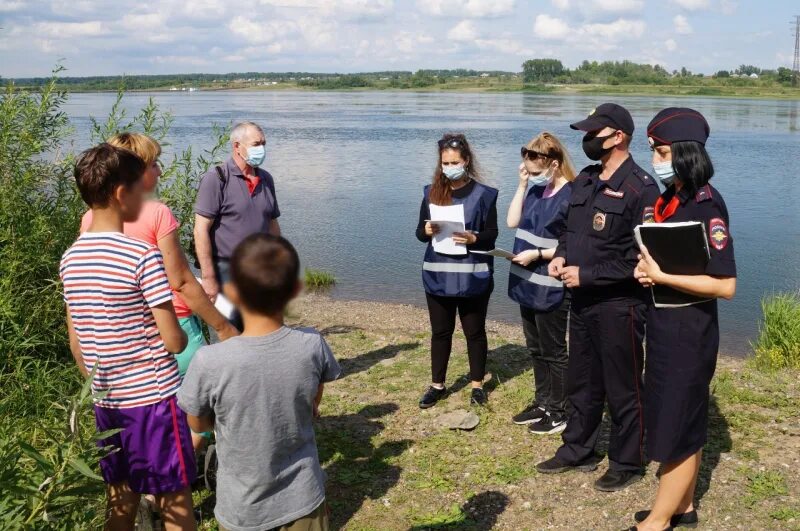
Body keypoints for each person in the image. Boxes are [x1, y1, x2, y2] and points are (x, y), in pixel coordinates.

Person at [61, 144, 196, 531]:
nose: (145, 196)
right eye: (140, 189)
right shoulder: (141, 256)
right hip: (153, 399)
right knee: (174, 498)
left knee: (120, 497)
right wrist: (180, 341)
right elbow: (173, 341)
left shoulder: (71, 258)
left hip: (105, 398)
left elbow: (76, 342)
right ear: (122, 194)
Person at [80, 132, 239, 452]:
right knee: (200, 410)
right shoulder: (156, 213)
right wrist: (223, 326)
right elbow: (179, 280)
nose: (160, 171)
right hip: (174, 325)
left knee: (146, 418)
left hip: (123, 332)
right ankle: (168, 483)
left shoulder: (90, 217)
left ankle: (151, 479)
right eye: (155, 163)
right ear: (135, 170)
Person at [178, 234, 341, 531]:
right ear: (294, 290)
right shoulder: (312, 345)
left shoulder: (209, 360)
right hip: (303, 498)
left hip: (241, 508)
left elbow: (198, 424)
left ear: (232, 293)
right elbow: (314, 396)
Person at [536, 103, 660, 492]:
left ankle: (627, 460)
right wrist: (560, 255)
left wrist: (587, 273)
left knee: (623, 386)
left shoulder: (642, 188)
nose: (587, 140)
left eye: (594, 133)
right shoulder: (586, 180)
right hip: (582, 302)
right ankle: (578, 449)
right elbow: (569, 231)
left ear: (618, 136)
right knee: (583, 381)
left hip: (620, 306)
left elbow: (642, 261)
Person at [628, 108, 736, 531]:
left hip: (689, 334)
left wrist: (662, 276)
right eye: (653, 149)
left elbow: (725, 285)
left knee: (676, 424)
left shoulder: (708, 205)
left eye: (662, 150)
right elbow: (669, 261)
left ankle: (656, 520)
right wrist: (647, 272)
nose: (654, 156)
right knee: (679, 417)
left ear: (685, 152)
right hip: (665, 323)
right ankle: (684, 508)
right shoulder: (672, 197)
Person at [415, 133, 499, 408]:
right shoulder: (431, 192)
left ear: (466, 161)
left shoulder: (485, 195)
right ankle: (437, 385)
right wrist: (426, 230)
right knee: (441, 332)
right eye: (444, 163)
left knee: (474, 332)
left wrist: (474, 238)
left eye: (454, 162)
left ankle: (476, 385)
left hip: (472, 276)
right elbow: (419, 233)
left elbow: (492, 235)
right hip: (438, 275)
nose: (449, 167)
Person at [507, 132, 575, 435]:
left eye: (536, 171)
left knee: (554, 350)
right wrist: (522, 185)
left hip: (551, 283)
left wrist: (538, 253)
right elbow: (511, 222)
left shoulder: (571, 195)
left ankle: (559, 411)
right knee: (535, 348)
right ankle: (543, 402)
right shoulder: (535, 190)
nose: (532, 175)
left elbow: (573, 243)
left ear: (555, 164)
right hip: (526, 281)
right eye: (528, 170)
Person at [194, 121, 281, 331]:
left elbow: (272, 224)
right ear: (236, 146)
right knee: (234, 329)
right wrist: (208, 278)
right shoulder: (216, 179)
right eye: (256, 144)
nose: (261, 149)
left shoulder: (266, 179)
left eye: (264, 143)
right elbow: (201, 230)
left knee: (266, 325)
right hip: (226, 270)